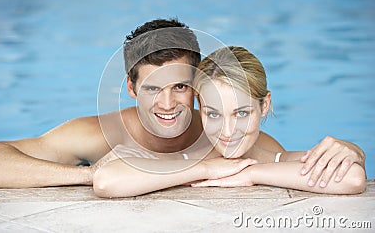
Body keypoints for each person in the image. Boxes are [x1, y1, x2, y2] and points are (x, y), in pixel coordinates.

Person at [0, 19, 364, 190]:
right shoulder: (98, 134)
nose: (168, 104)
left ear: (197, 89)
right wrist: (84, 176)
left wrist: (353, 149)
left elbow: (310, 170)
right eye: (152, 89)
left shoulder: (227, 137)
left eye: (180, 86)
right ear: (130, 87)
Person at [92, 46, 366, 197]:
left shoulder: (271, 159)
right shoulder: (190, 157)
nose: (227, 132)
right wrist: (208, 169)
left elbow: (353, 179)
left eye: (242, 113)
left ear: (265, 105)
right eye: (213, 114)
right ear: (200, 106)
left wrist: (249, 174)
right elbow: (107, 180)